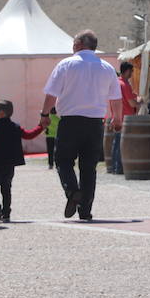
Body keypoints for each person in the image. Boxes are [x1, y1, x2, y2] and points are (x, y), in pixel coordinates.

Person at [40, 30, 122, 221]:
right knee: (88, 167)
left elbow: (51, 94)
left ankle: (72, 190)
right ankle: (85, 209)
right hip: (95, 122)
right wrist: (117, 119)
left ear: (78, 45)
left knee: (63, 159)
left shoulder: (66, 65)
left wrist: (44, 114)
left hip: (70, 121)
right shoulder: (107, 68)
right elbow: (116, 98)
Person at [0, 100, 44, 223]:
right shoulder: (15, 127)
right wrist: (41, 126)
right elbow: (29, 135)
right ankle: (6, 213)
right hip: (10, 164)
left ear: (2, 113)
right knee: (6, 188)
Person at [112, 62, 140, 174]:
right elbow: (132, 103)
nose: (132, 73)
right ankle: (119, 168)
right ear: (127, 71)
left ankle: (114, 167)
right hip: (126, 118)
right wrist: (140, 103)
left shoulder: (116, 83)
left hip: (117, 116)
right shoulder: (124, 84)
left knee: (116, 142)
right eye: (131, 71)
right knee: (121, 144)